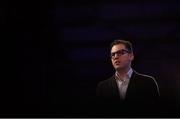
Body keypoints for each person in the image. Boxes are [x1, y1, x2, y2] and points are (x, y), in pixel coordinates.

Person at [96, 39, 160, 116]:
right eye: (113, 54)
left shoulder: (148, 83)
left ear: (131, 56)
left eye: (121, 53)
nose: (116, 57)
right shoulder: (102, 87)